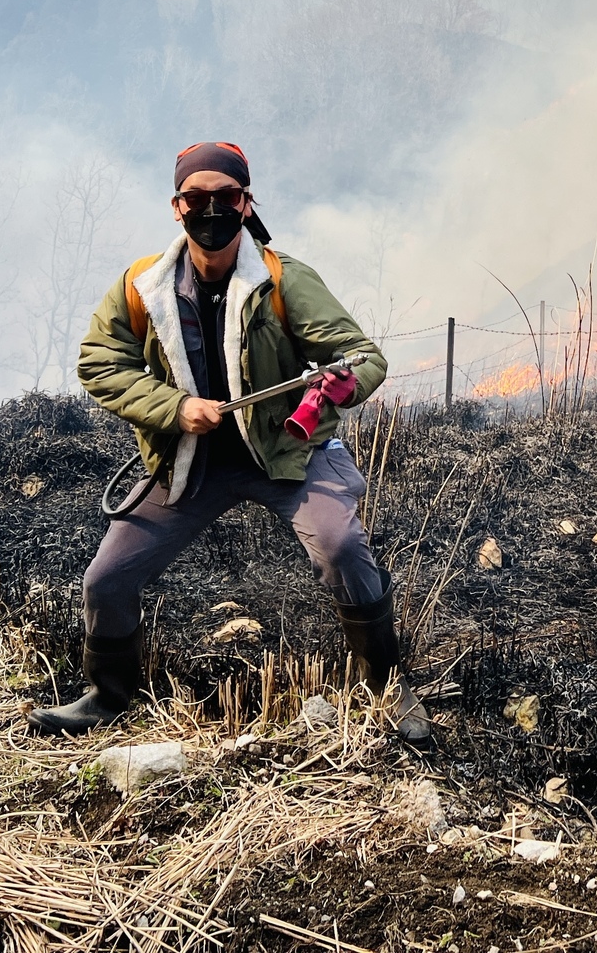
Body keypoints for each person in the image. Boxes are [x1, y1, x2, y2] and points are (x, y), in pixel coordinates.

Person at [27, 141, 428, 742]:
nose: (211, 210)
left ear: (246, 205)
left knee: (342, 547)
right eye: (198, 198)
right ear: (177, 206)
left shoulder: (283, 280)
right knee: (105, 581)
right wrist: (175, 408)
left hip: (287, 452)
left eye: (227, 198)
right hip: (191, 463)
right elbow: (100, 362)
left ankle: (388, 688)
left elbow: (363, 357)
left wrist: (340, 386)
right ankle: (107, 695)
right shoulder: (143, 285)